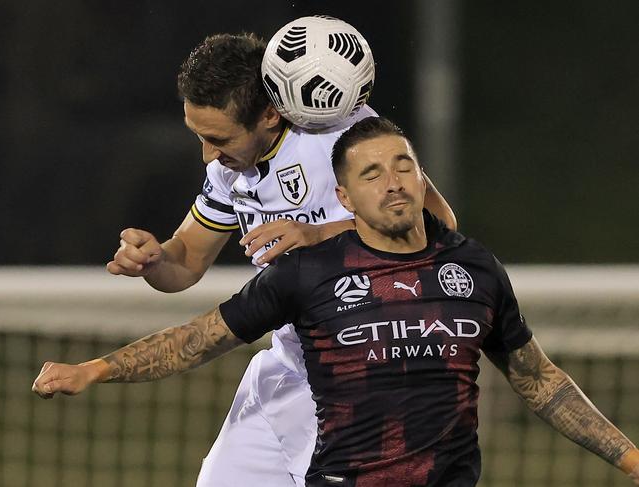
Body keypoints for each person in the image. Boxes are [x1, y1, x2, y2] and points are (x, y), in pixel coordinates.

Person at [33, 116, 639, 486]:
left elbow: (542, 383)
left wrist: (630, 457)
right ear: (344, 197)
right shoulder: (309, 274)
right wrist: (95, 369)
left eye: (405, 166)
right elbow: (199, 338)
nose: (394, 180)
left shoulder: (474, 269)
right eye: (372, 173)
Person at [103, 33, 456, 486]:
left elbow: (437, 223)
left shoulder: (344, 135)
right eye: (199, 137)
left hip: (374, 374)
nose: (208, 154)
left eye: (217, 138)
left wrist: (318, 234)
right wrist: (153, 261)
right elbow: (186, 260)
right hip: (291, 370)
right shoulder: (228, 171)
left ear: (269, 114)